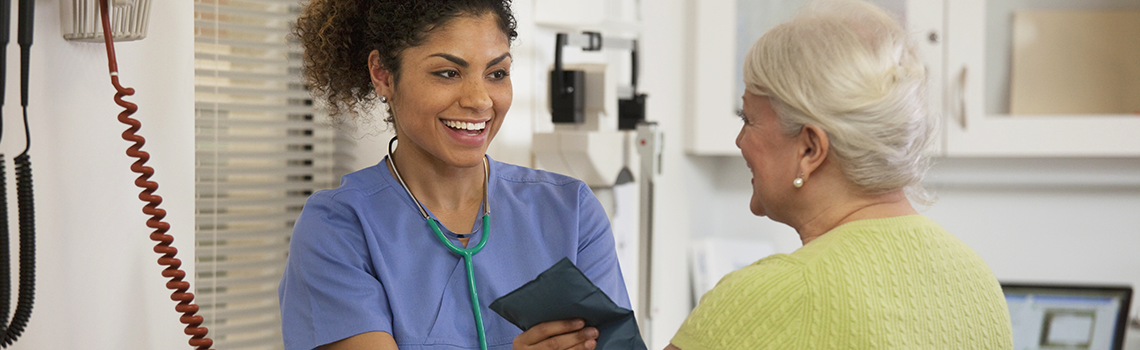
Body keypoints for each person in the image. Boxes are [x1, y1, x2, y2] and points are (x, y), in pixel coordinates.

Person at [278, 1, 630, 349]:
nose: (480, 100)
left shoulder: (571, 212)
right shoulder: (338, 227)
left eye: (496, 74)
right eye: (448, 73)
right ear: (383, 74)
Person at [667, 1, 1013, 349]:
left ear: (810, 149)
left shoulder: (774, 294)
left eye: (748, 120)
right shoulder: (977, 281)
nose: (740, 141)